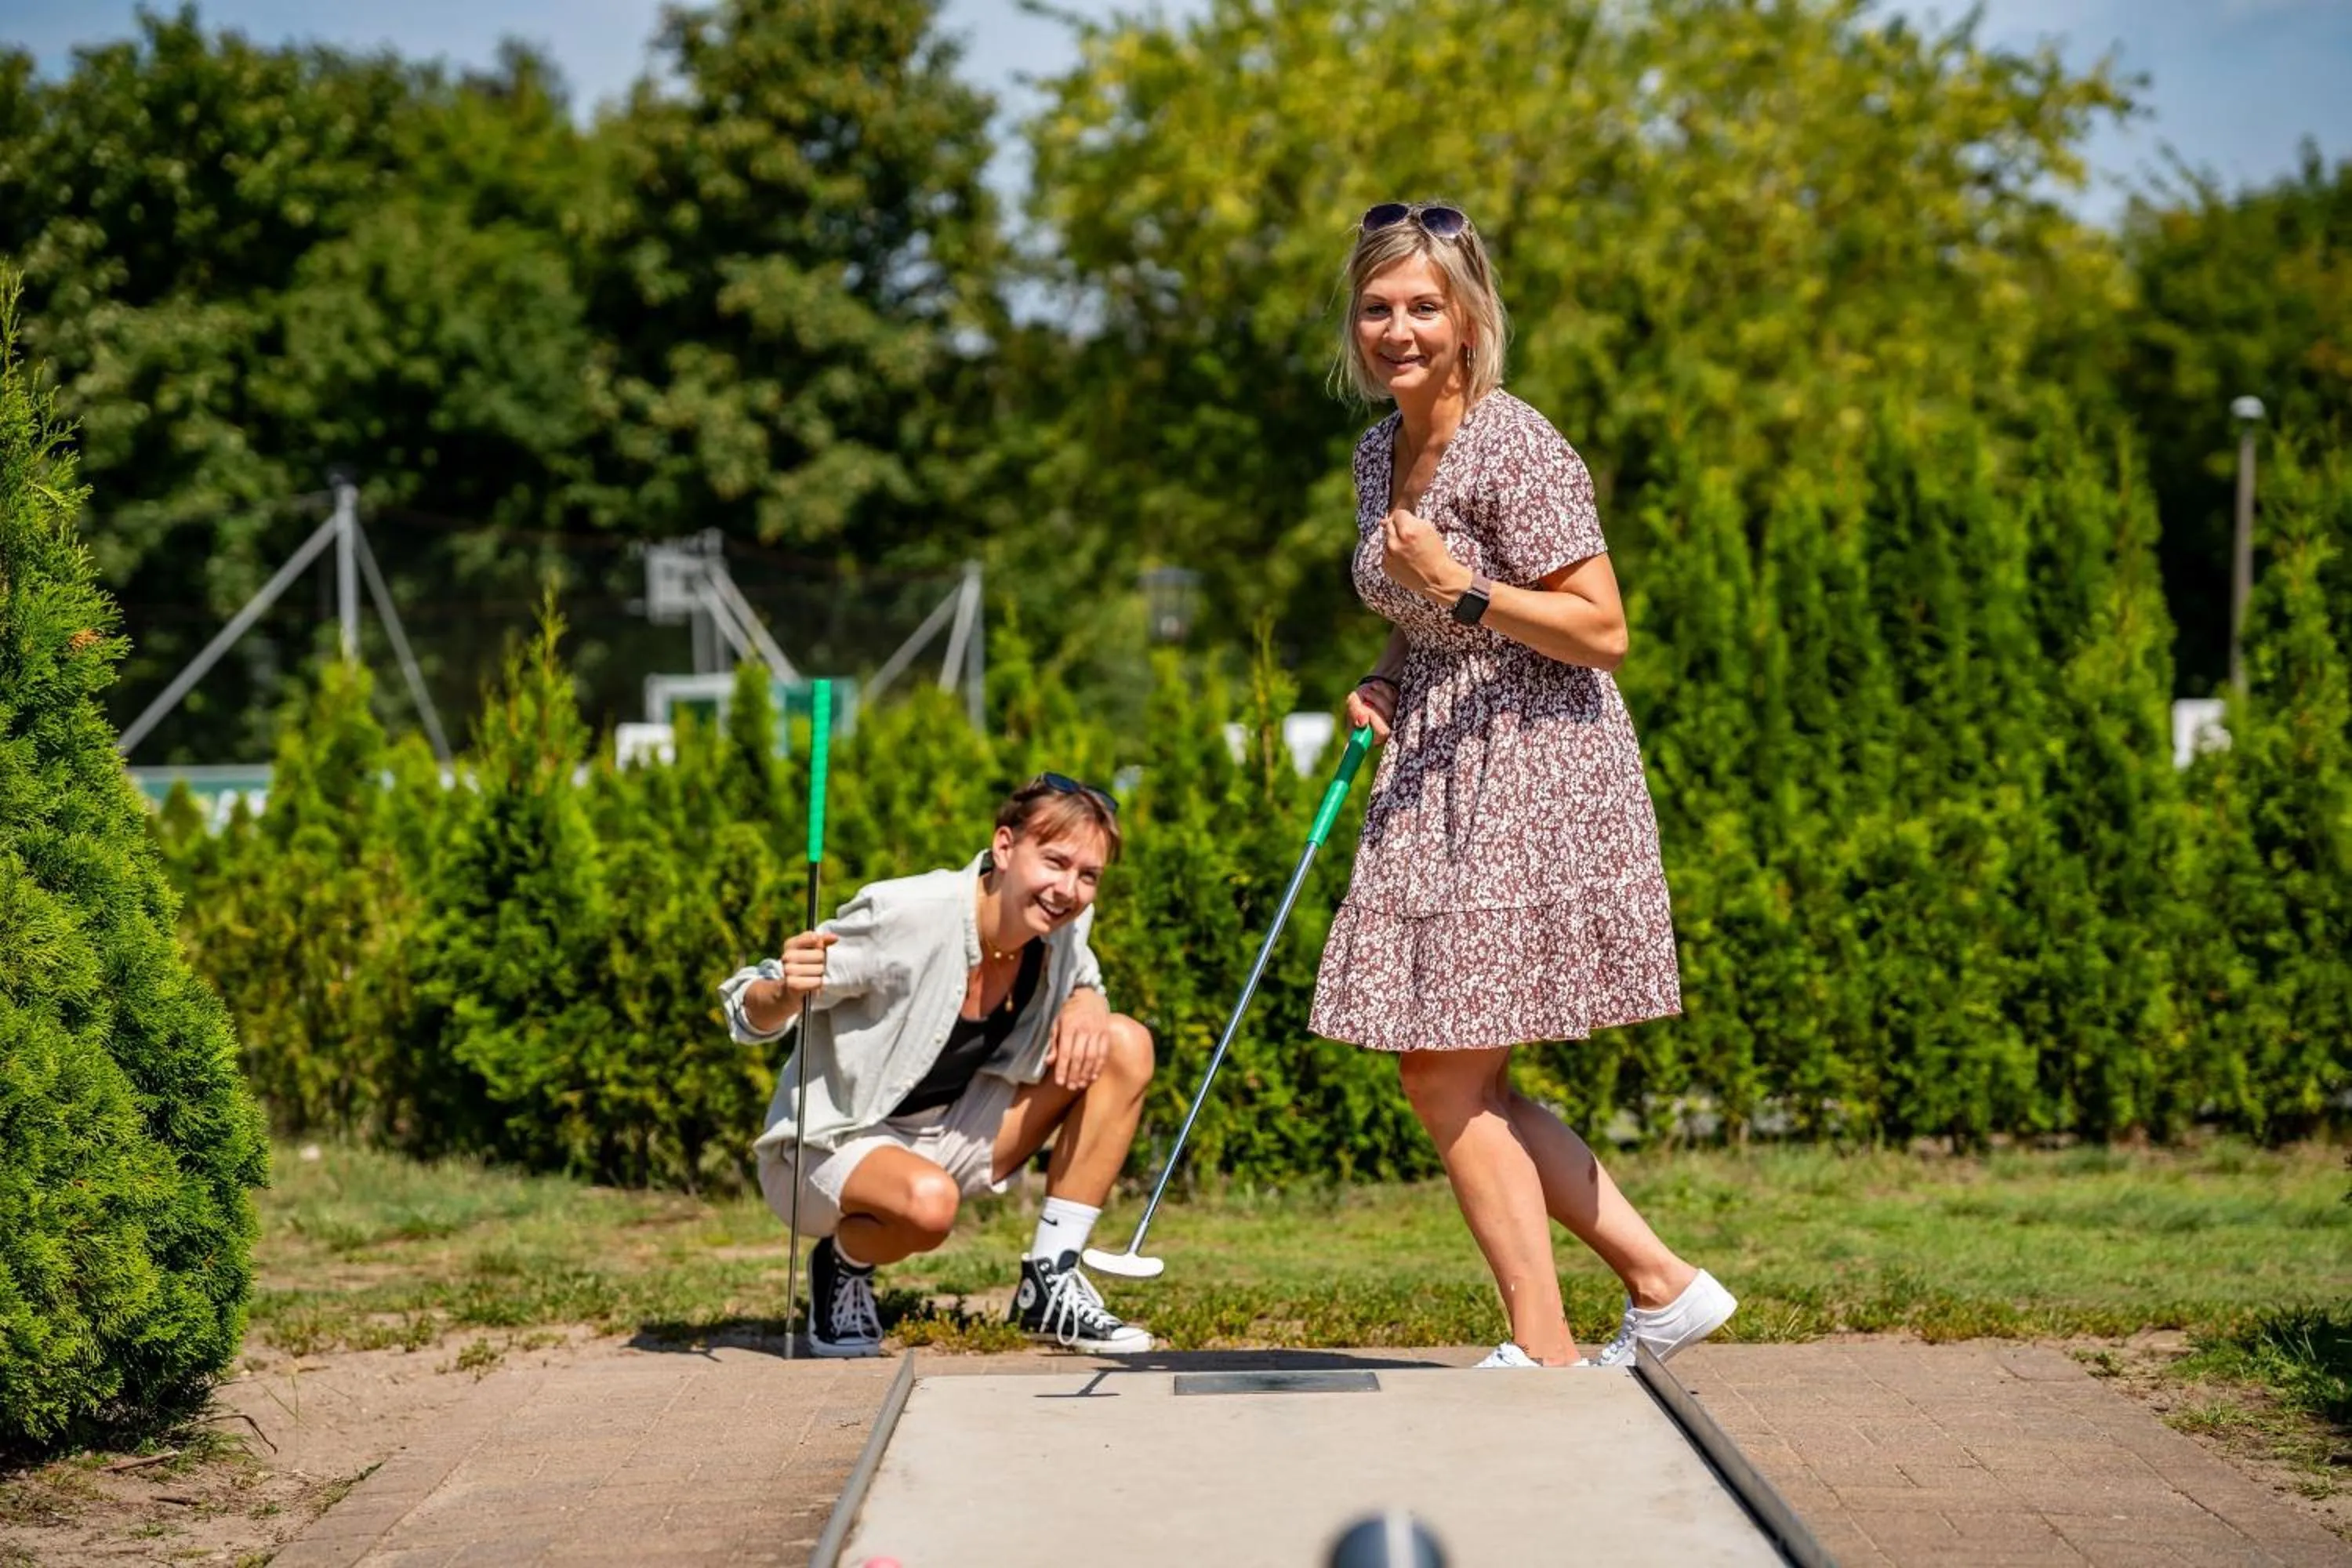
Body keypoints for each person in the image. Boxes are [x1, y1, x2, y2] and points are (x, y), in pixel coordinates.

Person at [1309, 201, 1737, 1370]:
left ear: (1468, 319)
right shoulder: (1375, 452)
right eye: (1378, 308)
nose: (1399, 329)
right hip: (1436, 762)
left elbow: (1603, 630)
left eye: (1423, 307)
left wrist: (1458, 590)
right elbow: (1419, 615)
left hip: (1535, 764)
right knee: (1458, 1066)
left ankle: (1553, 1341)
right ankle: (1660, 1288)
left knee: (1441, 1064)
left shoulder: (1517, 443)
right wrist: (1387, 675)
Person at [720, 775, 1158, 1358]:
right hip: (831, 1145)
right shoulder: (908, 914)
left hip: (952, 1132)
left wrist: (1089, 998)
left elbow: (1083, 971)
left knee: (1124, 1042)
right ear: (1004, 847)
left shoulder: (1064, 924)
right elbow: (746, 998)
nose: (1068, 889)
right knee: (930, 1204)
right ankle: (844, 1263)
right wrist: (780, 994)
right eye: (1054, 862)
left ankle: (1051, 1282)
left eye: (1088, 876)